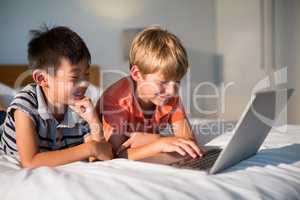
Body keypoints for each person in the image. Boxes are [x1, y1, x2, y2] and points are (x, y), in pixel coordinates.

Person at [0, 25, 113, 168]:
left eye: (87, 74)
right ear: (42, 78)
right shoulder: (26, 104)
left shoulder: (79, 109)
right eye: (74, 77)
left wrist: (93, 120)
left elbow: (105, 155)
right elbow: (30, 161)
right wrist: (89, 148)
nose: (84, 83)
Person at [97, 26, 205, 160]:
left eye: (177, 81)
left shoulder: (169, 94)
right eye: (163, 82)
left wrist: (156, 138)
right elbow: (115, 155)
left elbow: (188, 142)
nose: (172, 90)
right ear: (137, 74)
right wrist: (159, 144)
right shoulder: (116, 100)